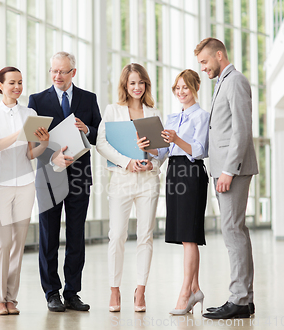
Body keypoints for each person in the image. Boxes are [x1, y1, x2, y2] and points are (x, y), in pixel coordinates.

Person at [28, 51, 102, 312]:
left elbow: (99, 135)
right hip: (49, 174)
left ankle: (72, 292)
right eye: (53, 71)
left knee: (76, 236)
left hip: (80, 175)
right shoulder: (36, 100)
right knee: (48, 236)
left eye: (62, 71)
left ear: (73, 72)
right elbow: (33, 142)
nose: (57, 76)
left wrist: (87, 130)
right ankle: (51, 292)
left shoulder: (88, 99)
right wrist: (51, 153)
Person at [194, 37, 258, 319]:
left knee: (233, 231)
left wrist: (228, 171)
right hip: (224, 169)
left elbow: (241, 131)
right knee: (235, 231)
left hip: (233, 170)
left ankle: (240, 300)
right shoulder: (223, 82)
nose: (203, 68)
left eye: (205, 62)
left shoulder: (235, 81)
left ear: (219, 55)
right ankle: (243, 298)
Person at [138, 69, 210, 315]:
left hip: (192, 173)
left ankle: (185, 292)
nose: (181, 92)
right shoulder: (171, 118)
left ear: (195, 88)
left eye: (185, 87)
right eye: (177, 88)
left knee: (190, 236)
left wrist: (177, 139)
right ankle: (196, 288)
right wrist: (147, 148)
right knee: (185, 237)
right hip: (174, 172)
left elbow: (200, 150)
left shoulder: (202, 116)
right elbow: (162, 153)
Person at [96, 63, 162, 313]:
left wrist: (151, 161)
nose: (137, 87)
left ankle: (141, 290)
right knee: (117, 235)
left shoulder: (153, 112)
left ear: (146, 85)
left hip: (148, 180)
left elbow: (163, 149)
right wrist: (128, 162)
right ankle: (115, 290)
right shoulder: (113, 111)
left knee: (145, 235)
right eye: (132, 82)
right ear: (125, 85)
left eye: (141, 82)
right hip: (122, 179)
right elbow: (101, 143)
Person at [0, 67, 49, 315]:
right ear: (0, 85)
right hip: (0, 184)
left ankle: (11, 298)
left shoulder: (30, 113)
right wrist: (19, 133)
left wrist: (43, 141)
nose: (17, 87)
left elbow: (30, 154)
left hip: (25, 184)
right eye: (12, 82)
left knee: (18, 243)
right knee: (2, 241)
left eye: (20, 82)